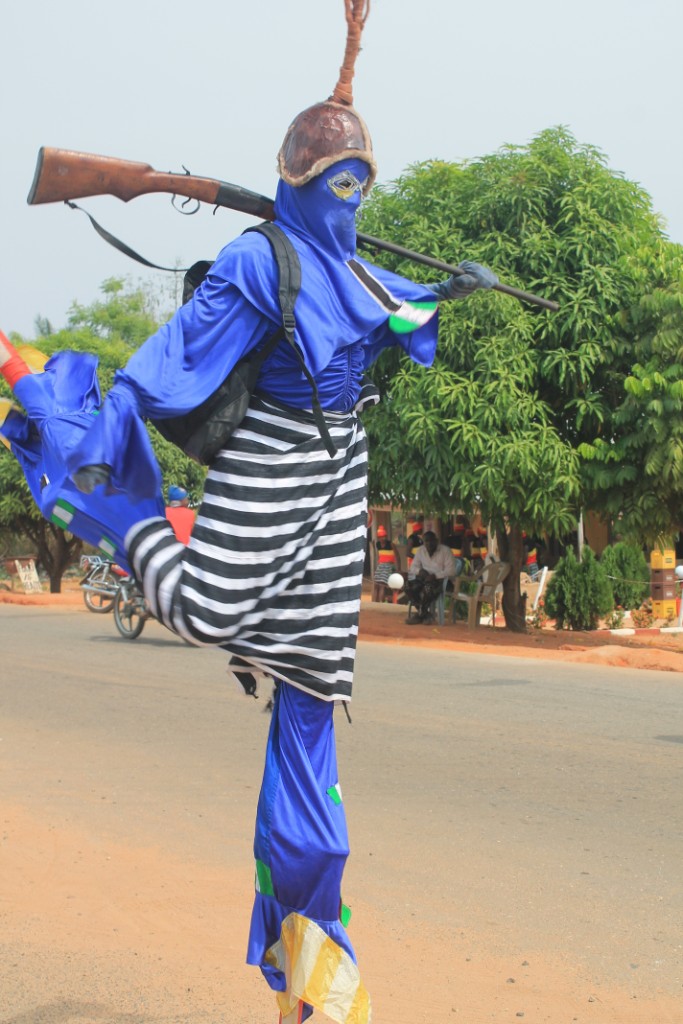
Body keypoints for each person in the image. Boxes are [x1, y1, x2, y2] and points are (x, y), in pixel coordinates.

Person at [0, 4, 498, 1018]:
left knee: (311, 693)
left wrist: (455, 290)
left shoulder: (356, 264)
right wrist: (101, 426)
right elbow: (166, 361)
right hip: (274, 458)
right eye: (333, 184)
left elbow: (393, 307)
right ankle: (103, 482)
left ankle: (309, 959)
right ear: (295, 183)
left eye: (360, 185)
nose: (349, 202)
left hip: (340, 482)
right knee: (206, 608)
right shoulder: (254, 262)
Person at [404, 531, 458, 623]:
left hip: (441, 581)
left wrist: (435, 576)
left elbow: (451, 571)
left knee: (428, 588)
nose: (429, 543)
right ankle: (425, 614)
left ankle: (420, 616)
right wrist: (420, 571)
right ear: (423, 542)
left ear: (436, 541)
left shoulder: (445, 551)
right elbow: (413, 567)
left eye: (431, 541)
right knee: (407, 586)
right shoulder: (421, 550)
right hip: (424, 578)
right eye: (426, 541)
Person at [372, 523, 397, 602]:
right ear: (378, 538)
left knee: (382, 585)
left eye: (384, 536)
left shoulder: (391, 544)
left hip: (389, 565)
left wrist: (398, 568)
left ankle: (380, 604)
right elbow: (379, 556)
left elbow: (397, 556)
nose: (383, 538)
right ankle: (374, 604)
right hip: (380, 565)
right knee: (376, 585)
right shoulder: (378, 544)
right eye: (381, 537)